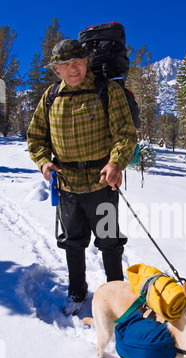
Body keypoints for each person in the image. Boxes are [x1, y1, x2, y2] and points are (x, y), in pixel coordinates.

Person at [27, 39, 137, 315]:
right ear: (57, 70)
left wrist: (116, 162)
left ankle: (117, 295)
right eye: (64, 65)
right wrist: (43, 163)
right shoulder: (51, 97)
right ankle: (77, 291)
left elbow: (125, 133)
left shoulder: (108, 90)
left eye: (76, 62)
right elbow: (36, 138)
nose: (71, 69)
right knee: (72, 241)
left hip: (102, 181)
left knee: (109, 242)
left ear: (87, 61)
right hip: (66, 184)